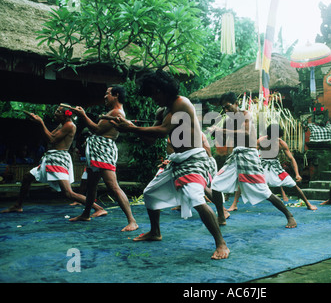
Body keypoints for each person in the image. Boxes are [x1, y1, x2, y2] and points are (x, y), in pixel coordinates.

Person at [110, 70, 229, 260]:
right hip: (177, 160)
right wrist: (127, 127)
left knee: (195, 196)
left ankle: (221, 243)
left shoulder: (181, 103)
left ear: (162, 90)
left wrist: (131, 127)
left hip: (195, 158)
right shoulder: (162, 111)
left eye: (154, 94)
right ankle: (155, 232)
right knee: (150, 193)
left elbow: (164, 130)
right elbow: (151, 138)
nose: (153, 99)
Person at [209, 92, 297, 229]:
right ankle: (221, 216)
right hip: (235, 156)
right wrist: (216, 134)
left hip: (249, 155)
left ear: (236, 104)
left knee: (263, 191)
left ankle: (289, 215)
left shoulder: (245, 115)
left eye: (228, 107)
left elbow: (245, 133)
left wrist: (221, 131)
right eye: (223, 108)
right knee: (215, 184)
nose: (226, 111)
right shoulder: (228, 120)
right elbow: (228, 140)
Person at [1, 105, 103, 213]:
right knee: (27, 177)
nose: (55, 113)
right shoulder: (62, 124)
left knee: (68, 193)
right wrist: (38, 123)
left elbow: (51, 140)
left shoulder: (70, 125)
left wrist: (41, 123)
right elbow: (50, 135)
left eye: (58, 112)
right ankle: (18, 205)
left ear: (65, 115)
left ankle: (98, 208)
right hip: (51, 158)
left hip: (58, 160)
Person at [68, 85, 138, 232]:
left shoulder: (117, 112)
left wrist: (83, 115)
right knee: (91, 185)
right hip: (97, 150)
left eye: (107, 94)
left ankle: (132, 221)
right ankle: (86, 214)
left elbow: (97, 129)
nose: (105, 96)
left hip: (103, 151)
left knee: (113, 186)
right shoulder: (113, 111)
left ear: (116, 95)